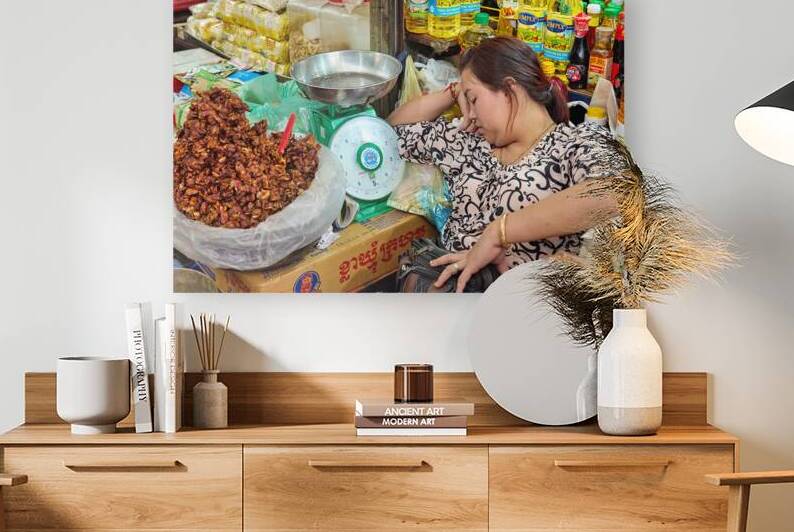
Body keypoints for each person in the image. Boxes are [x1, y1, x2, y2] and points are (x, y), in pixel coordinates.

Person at [388, 37, 628, 293]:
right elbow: (392, 131)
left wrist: (500, 232)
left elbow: (616, 192)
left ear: (510, 90)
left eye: (475, 100)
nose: (469, 114)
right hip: (450, 288)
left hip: (519, 298)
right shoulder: (467, 141)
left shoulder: (572, 144)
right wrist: (455, 91)